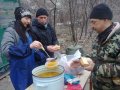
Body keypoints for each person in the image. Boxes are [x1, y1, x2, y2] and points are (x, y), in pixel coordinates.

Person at [71, 3, 120, 90]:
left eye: (94, 22)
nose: (92, 26)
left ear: (106, 19)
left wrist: (95, 67)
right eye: (91, 22)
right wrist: (82, 61)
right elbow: (96, 58)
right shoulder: (100, 36)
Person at [1, 7, 43, 90]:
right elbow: (5, 50)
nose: (28, 21)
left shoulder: (27, 30)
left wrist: (44, 58)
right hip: (19, 73)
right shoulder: (11, 31)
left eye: (29, 19)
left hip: (31, 69)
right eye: (26, 18)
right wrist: (28, 47)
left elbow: (33, 51)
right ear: (18, 18)